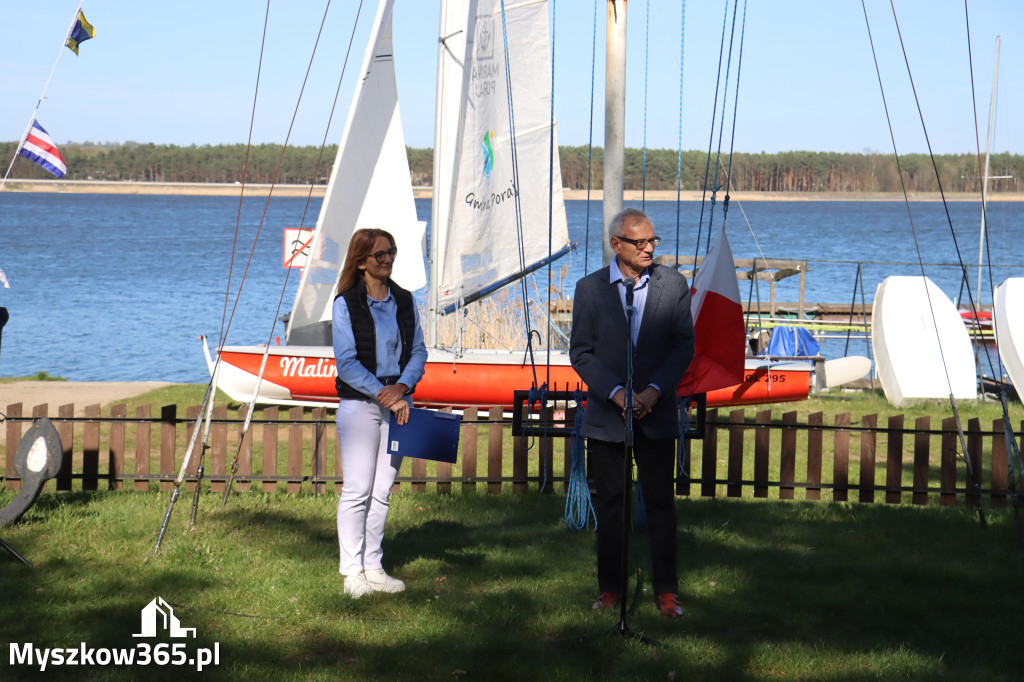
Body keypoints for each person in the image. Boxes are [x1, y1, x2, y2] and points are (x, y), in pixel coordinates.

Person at [568, 207, 695, 618]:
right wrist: (619, 393)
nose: (648, 249)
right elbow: (581, 353)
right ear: (616, 244)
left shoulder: (673, 285)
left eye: (652, 241)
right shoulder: (590, 289)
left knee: (660, 504)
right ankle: (610, 589)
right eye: (639, 242)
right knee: (612, 506)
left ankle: (666, 591)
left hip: (656, 416)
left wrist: (654, 392)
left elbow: (682, 347)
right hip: (608, 417)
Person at [332, 228, 427, 598]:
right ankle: (351, 572)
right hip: (359, 405)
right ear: (361, 263)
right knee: (358, 489)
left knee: (383, 490)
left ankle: (373, 566)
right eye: (380, 255)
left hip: (400, 401)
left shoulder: (404, 300)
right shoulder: (345, 303)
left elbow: (419, 351)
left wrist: (402, 387)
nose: (388, 259)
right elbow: (347, 364)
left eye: (392, 252)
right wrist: (386, 395)